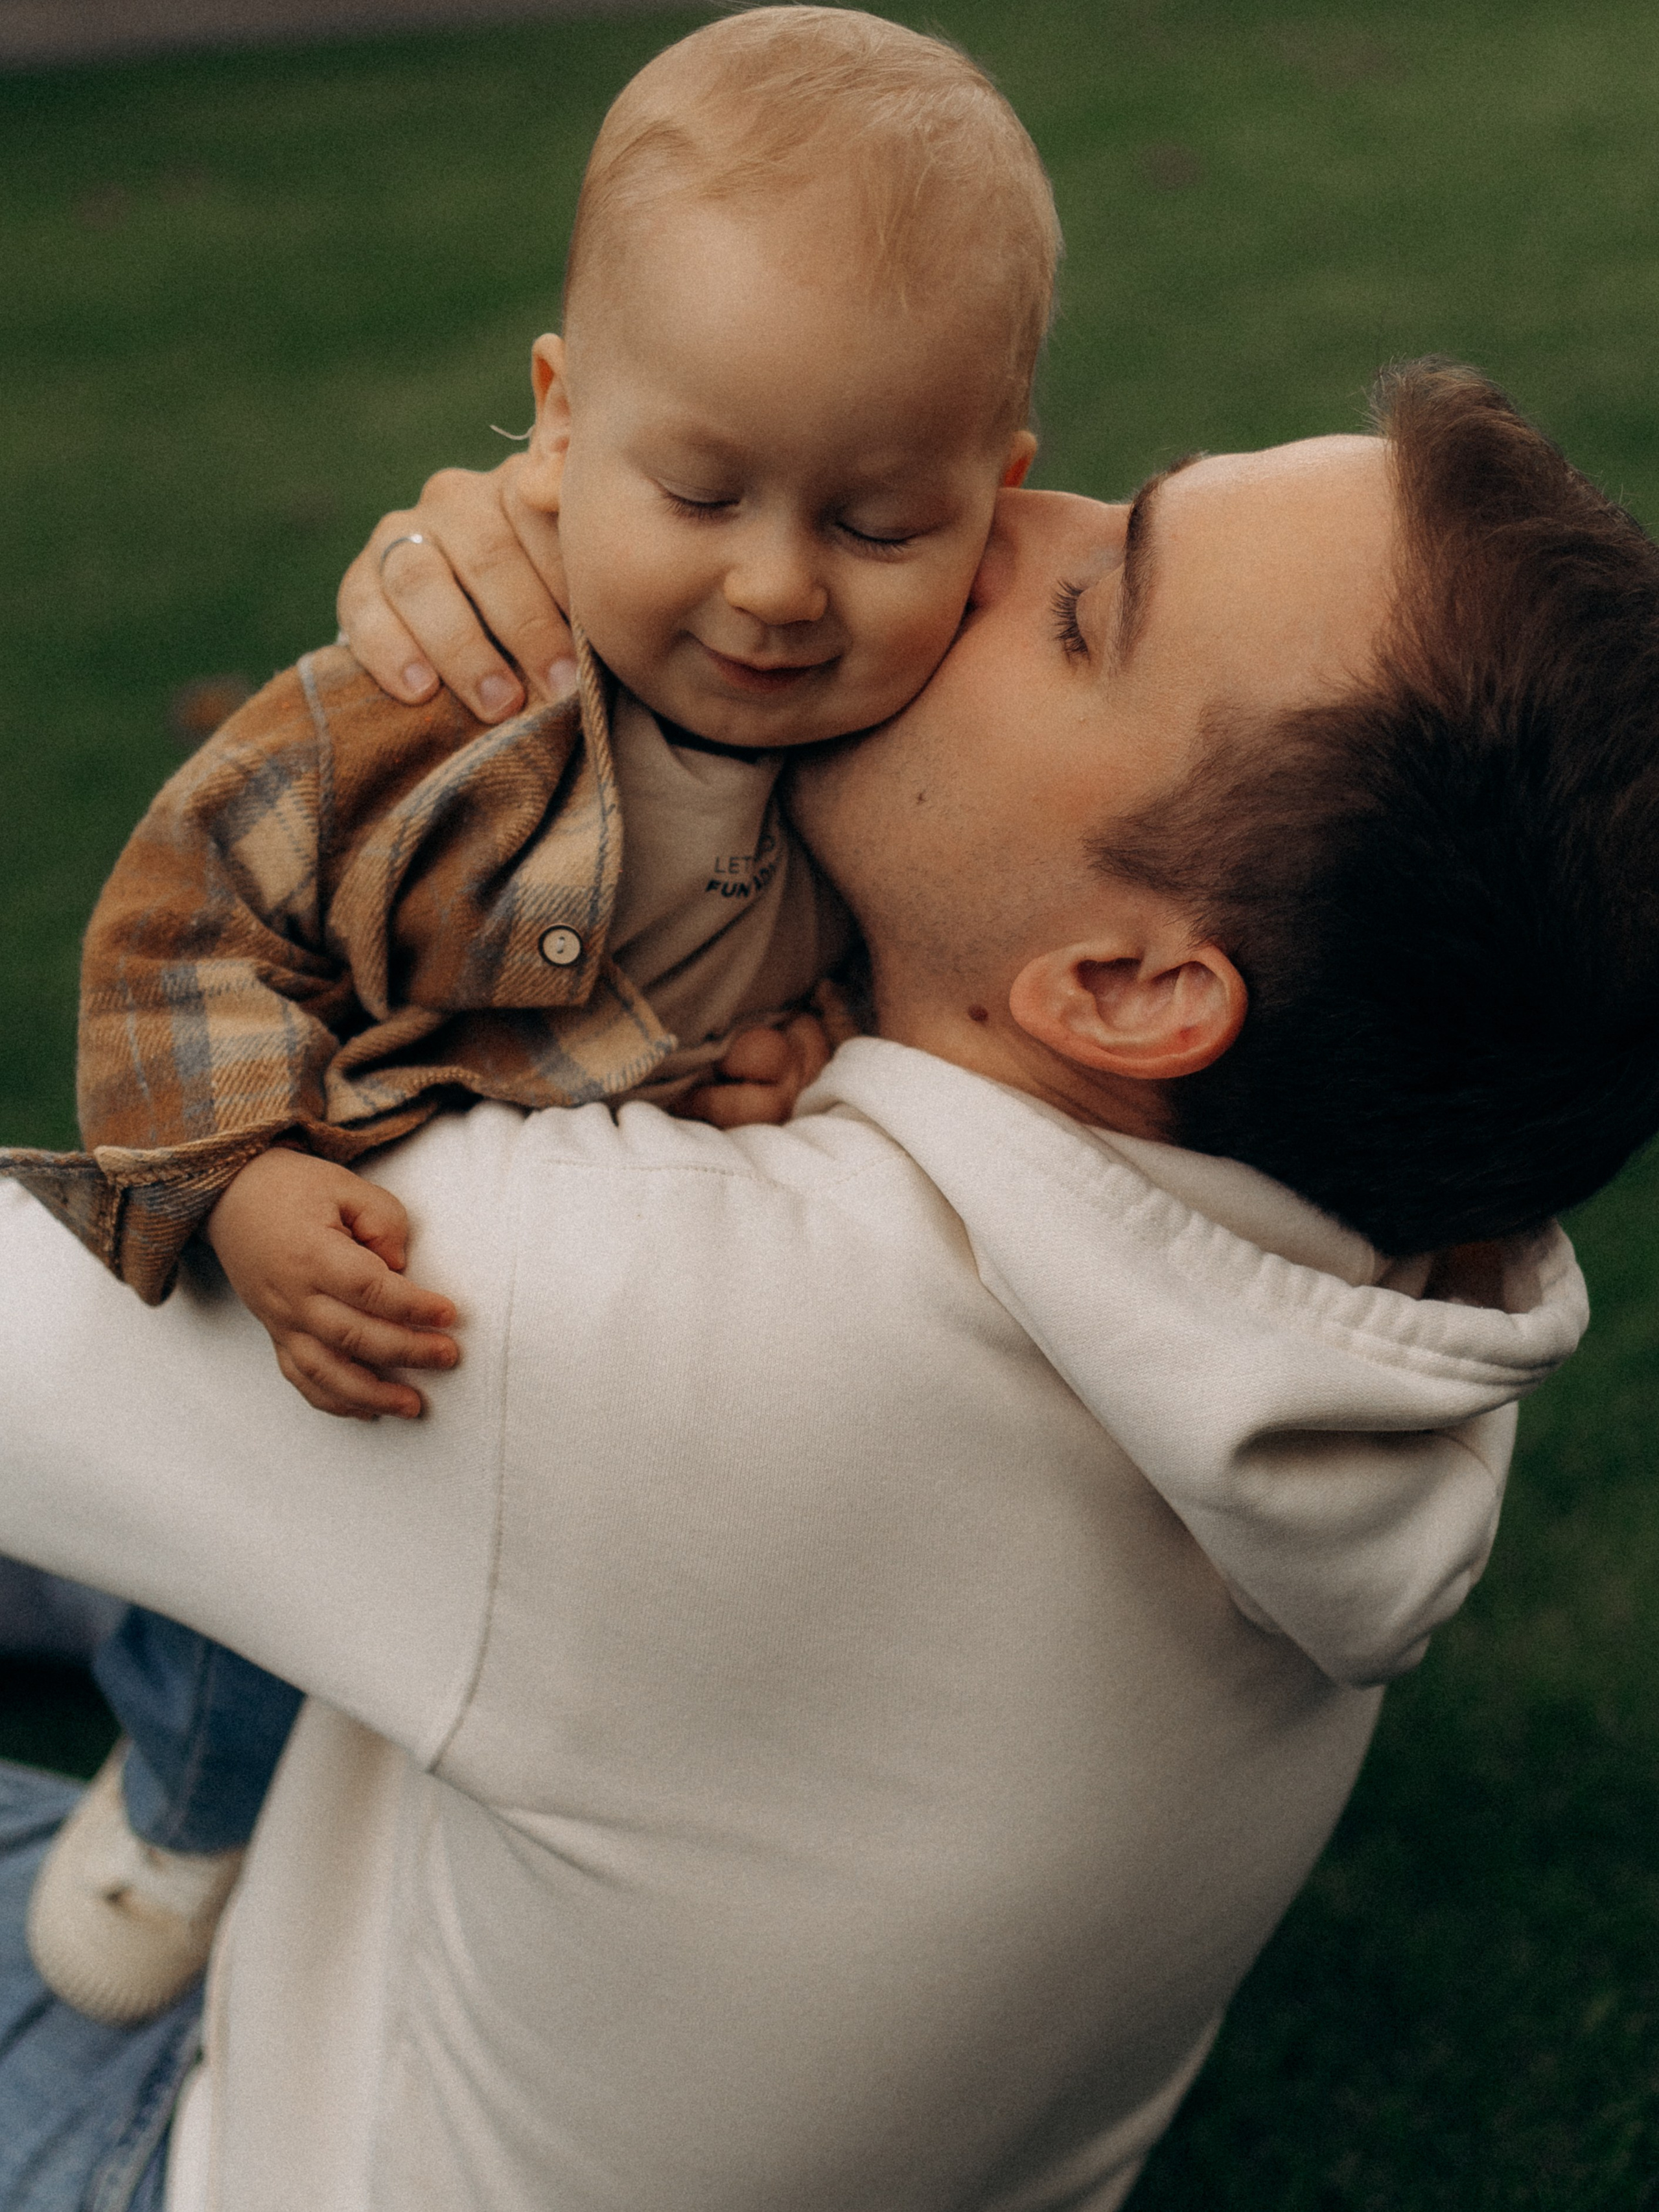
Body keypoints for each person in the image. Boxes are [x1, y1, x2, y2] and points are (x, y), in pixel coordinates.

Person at [2, 359, 1658, 2210]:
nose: (991, 518)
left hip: (198, 2142)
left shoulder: (662, 1338)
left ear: (1126, 991)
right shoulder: (1375, 1281)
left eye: (1090, 611)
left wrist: (456, 683)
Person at [0, 5, 1061, 2026]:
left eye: (878, 525)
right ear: (561, 424)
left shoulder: (917, 757)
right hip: (353, 1258)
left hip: (589, 1374)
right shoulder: (446, 697)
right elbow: (181, 917)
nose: (779, 589)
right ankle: (184, 1800)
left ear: (995, 495)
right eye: (703, 491)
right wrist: (242, 1180)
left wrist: (808, 1054)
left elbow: (897, 987)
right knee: (255, 1566)